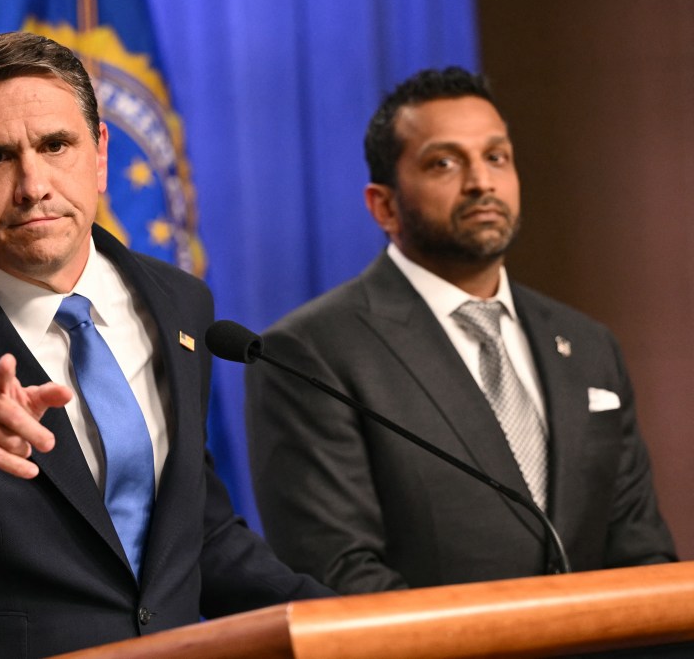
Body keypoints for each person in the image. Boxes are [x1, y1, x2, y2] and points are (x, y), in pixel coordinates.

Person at [0, 32, 330, 658]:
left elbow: (197, 537)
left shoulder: (178, 303)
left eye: (56, 145)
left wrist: (358, 624)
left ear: (100, 153)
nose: (33, 185)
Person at [246, 67, 676, 594]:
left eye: (496, 157)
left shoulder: (588, 345)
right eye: (444, 163)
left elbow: (642, 552)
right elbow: (339, 572)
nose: (481, 182)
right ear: (384, 205)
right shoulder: (311, 353)